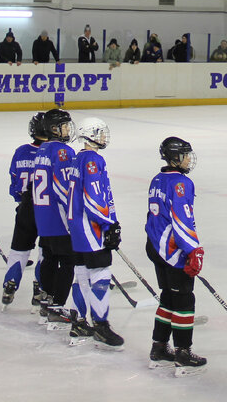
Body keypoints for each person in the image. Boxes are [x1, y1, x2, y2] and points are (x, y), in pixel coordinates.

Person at [145, 136, 207, 374]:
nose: (189, 159)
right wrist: (193, 250)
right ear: (175, 157)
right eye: (186, 154)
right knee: (183, 300)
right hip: (173, 249)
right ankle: (183, 352)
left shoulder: (157, 179)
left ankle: (159, 347)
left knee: (168, 298)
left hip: (155, 246)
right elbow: (182, 220)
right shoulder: (181, 183)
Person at [68, 116, 124, 349]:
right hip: (90, 227)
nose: (103, 137)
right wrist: (108, 223)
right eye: (100, 132)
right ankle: (100, 325)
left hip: (76, 226)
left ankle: (80, 323)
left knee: (82, 273)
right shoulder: (92, 160)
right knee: (100, 272)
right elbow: (94, 197)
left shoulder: (77, 158)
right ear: (90, 134)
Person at [31, 109, 85, 333]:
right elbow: (64, 188)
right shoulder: (63, 152)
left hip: (43, 216)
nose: (67, 129)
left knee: (50, 258)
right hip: (59, 217)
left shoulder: (42, 149)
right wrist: (75, 216)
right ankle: (57, 306)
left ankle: (46, 302)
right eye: (63, 126)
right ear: (54, 128)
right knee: (69, 261)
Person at [2, 112, 47, 308]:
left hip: (24, 208)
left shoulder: (20, 151)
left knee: (19, 249)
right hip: (48, 211)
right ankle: (39, 286)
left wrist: (21, 200)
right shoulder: (54, 152)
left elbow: (14, 182)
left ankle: (9, 284)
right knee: (45, 250)